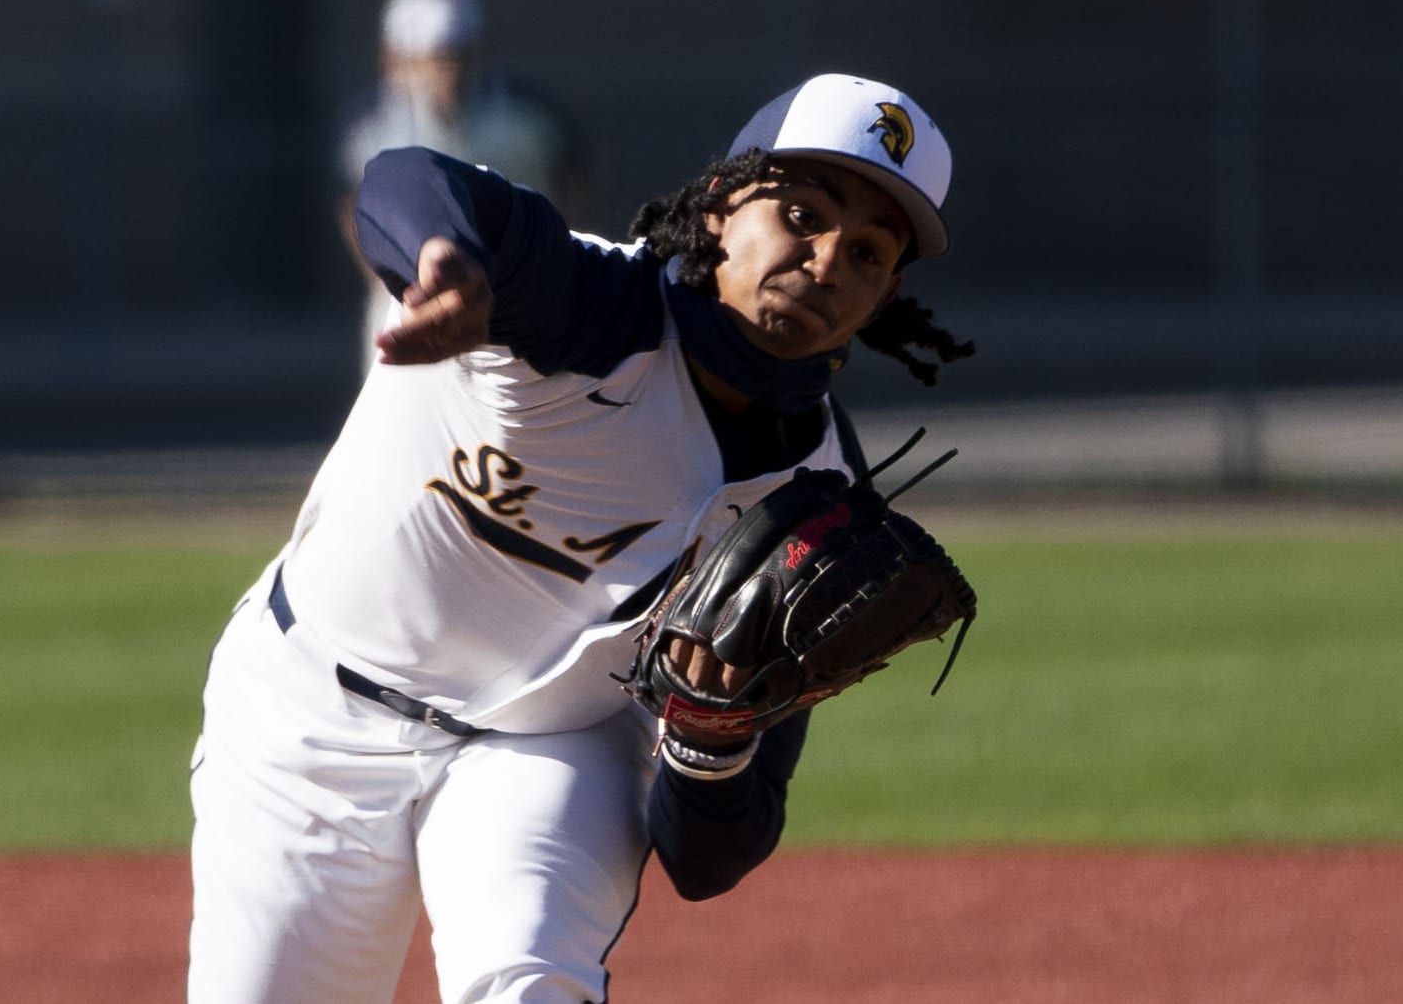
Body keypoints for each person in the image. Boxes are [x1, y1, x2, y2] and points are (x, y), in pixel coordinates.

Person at [189, 72, 973, 1003]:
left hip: (542, 751)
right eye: (802, 212)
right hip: (310, 707)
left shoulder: (821, 499)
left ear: (881, 300)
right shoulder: (586, 305)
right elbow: (404, 178)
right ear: (723, 205)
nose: (828, 259)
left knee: (531, 989)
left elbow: (708, 856)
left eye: (869, 253)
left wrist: (712, 743)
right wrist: (447, 256)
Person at [335, 0, 590, 355]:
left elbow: (574, 181)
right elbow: (351, 205)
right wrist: (385, 281)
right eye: (431, 60)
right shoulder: (368, 129)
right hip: (410, 303)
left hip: (520, 300)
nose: (446, 74)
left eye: (456, 58)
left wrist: (559, 261)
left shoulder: (530, 118)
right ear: (393, 58)